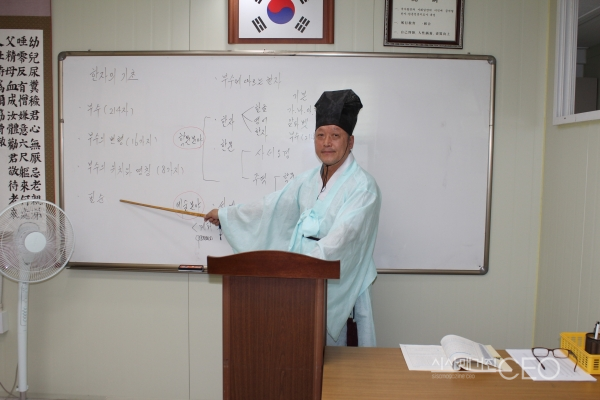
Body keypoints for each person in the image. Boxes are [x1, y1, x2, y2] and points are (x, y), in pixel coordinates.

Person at [204, 89, 381, 346]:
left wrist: (300, 268)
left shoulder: (363, 188)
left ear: (350, 141)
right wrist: (227, 216)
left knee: (337, 363)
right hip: (300, 285)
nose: (327, 142)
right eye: (320, 135)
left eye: (335, 135)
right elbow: (272, 208)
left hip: (338, 289)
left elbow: (345, 237)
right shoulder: (307, 181)